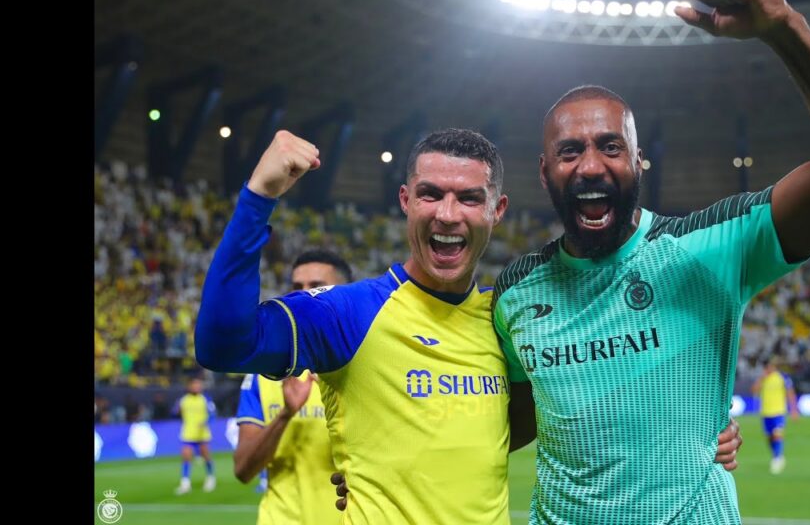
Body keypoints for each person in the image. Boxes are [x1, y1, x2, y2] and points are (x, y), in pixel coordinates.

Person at [492, 0, 810, 523]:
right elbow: (505, 421)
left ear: (638, 162)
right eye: (570, 152)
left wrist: (784, 28)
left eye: (611, 147)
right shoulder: (514, 291)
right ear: (545, 174)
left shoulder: (711, 247)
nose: (590, 165)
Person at [196, 128, 745, 522]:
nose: (448, 214)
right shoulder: (348, 314)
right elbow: (223, 344)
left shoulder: (509, 319)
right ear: (406, 201)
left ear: (497, 210)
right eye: (431, 194)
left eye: (468, 198)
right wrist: (259, 196)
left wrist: (697, 436)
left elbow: (565, 407)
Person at [233, 250, 351, 523]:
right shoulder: (265, 374)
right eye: (297, 286)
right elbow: (243, 470)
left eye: (317, 286)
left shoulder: (365, 368)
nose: (303, 295)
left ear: (345, 295)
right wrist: (285, 415)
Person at [751, 358, 799, 474]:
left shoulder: (782, 377)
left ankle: (777, 458)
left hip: (779, 412)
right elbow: (754, 390)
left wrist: (794, 410)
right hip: (766, 412)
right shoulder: (763, 378)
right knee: (770, 438)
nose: (768, 369)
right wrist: (761, 379)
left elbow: (790, 393)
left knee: (777, 434)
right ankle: (777, 456)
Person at [173, 377, 217, 494]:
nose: (197, 387)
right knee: (186, 456)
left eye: (199, 385)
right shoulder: (183, 400)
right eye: (195, 385)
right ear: (189, 387)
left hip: (203, 433)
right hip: (188, 433)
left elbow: (213, 414)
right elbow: (174, 412)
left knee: (206, 456)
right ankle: (185, 483)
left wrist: (205, 422)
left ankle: (210, 478)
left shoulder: (206, 399)